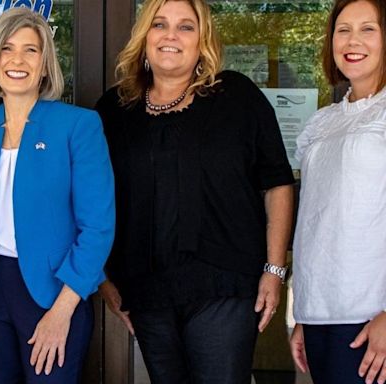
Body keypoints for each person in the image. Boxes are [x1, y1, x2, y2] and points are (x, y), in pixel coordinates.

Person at [95, 0, 295, 383]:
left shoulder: (237, 95)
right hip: (147, 289)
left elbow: (276, 182)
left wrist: (273, 269)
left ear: (202, 39)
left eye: (186, 27)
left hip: (225, 285)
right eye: (160, 24)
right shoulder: (114, 109)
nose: (171, 35)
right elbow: (91, 200)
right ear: (144, 37)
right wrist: (104, 280)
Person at [0, 7, 114, 384]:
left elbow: (98, 227)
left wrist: (63, 310)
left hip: (54, 293)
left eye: (30, 50)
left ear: (44, 64)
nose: (17, 60)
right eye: (7, 49)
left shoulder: (78, 126)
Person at [290, 0, 386, 383]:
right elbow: (316, 220)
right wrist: (302, 315)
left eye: (368, 29)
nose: (352, 40)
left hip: (371, 315)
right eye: (343, 29)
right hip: (319, 316)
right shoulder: (322, 121)